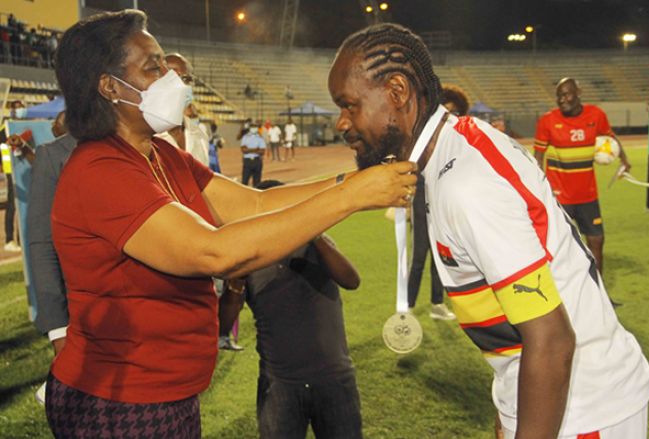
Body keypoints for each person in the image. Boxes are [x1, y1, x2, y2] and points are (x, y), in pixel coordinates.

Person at [46, 11, 415, 438]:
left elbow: (256, 203)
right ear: (110, 87)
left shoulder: (161, 155)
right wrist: (353, 195)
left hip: (166, 391)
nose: (171, 78)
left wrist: (358, 182)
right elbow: (214, 252)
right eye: (153, 67)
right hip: (117, 399)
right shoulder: (101, 170)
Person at [328, 23, 649, 439]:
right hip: (561, 397)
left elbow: (552, 341)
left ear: (397, 91)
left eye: (349, 105)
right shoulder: (454, 147)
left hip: (583, 411)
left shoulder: (467, 183)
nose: (341, 122)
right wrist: (510, 404)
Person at [226, 179, 363, 439]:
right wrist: (235, 283)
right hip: (280, 384)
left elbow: (351, 280)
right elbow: (223, 325)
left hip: (334, 379)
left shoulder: (315, 244)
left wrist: (313, 234)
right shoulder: (248, 257)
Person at [534, 78, 630, 280]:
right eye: (559, 96)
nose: (562, 100)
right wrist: (539, 186)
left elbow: (610, 138)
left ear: (579, 93)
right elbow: (538, 157)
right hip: (560, 197)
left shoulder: (596, 115)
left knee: (597, 240)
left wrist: (624, 159)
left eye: (567, 94)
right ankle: (561, 289)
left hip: (587, 195)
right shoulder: (548, 120)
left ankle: (598, 289)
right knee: (558, 245)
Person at [406, 85, 471, 320]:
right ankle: (407, 307)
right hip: (422, 197)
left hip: (445, 201)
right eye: (445, 111)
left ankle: (437, 304)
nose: (449, 117)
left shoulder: (460, 139)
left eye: (455, 113)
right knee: (419, 256)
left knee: (441, 256)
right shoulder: (424, 136)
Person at [27, 111, 77, 403]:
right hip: (86, 322)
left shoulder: (156, 150)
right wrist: (59, 332)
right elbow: (42, 245)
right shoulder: (55, 155)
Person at [156, 53, 210, 167]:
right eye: (172, 78)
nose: (181, 85)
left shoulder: (200, 133)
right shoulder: (146, 138)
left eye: (186, 79)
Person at [240, 121, 267, 186]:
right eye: (252, 126)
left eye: (255, 126)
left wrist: (249, 149)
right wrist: (256, 149)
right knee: (244, 181)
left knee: (257, 182)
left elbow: (262, 151)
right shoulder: (245, 137)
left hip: (257, 160)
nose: (254, 128)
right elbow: (243, 150)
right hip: (247, 161)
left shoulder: (260, 138)